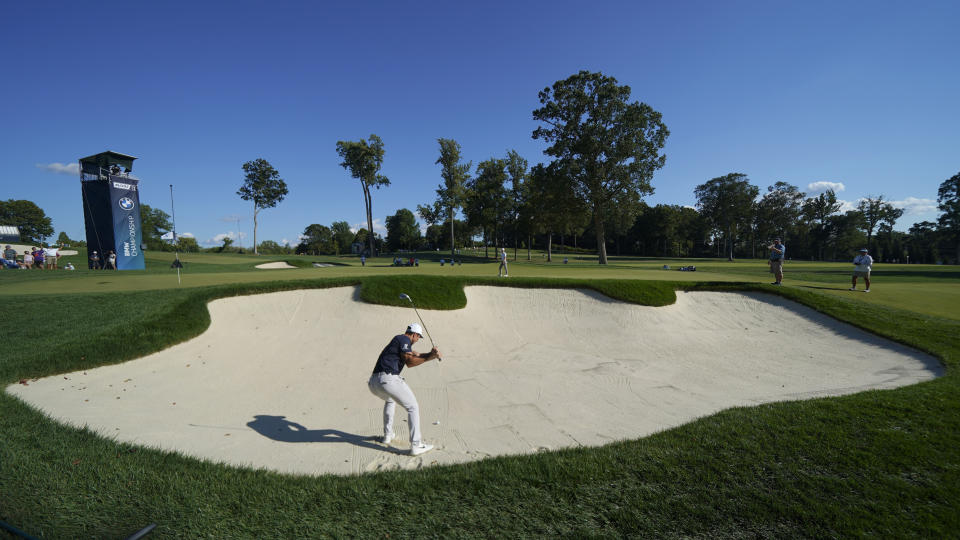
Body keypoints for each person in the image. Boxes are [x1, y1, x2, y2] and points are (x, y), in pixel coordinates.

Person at [367, 323, 440, 456]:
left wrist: (430, 354)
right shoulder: (404, 339)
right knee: (413, 407)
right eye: (418, 337)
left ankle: (387, 435)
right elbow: (410, 362)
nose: (417, 340)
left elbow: (416, 354)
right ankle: (416, 445)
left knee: (390, 400)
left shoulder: (400, 343)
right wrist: (430, 357)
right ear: (414, 335)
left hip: (374, 383)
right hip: (388, 380)